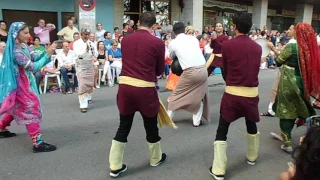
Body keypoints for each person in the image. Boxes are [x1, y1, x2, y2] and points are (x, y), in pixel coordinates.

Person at [108, 12, 167, 178]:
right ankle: (155, 158)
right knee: (150, 125)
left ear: (138, 22)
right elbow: (159, 71)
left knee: (123, 125)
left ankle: (115, 165)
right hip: (145, 90)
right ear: (154, 26)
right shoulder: (157, 42)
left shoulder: (125, 39)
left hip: (126, 87)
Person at [209, 12, 262, 180]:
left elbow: (225, 68)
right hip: (251, 94)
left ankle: (218, 169)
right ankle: (252, 157)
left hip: (232, 93)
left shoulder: (227, 46)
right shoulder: (258, 47)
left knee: (222, 129)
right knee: (251, 124)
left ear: (235, 27)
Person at [0, 22, 57, 152]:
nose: (28, 35)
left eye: (28, 32)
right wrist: (47, 54)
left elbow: (34, 57)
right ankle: (38, 143)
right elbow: (33, 67)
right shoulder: (15, 52)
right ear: (16, 34)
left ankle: (1, 127)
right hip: (19, 85)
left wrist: (46, 52)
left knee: (17, 107)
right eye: (25, 33)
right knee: (31, 108)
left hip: (26, 81)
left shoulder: (24, 46)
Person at [267, 22, 320, 153]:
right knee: (295, 109)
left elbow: (278, 61)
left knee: (286, 111)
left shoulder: (292, 46)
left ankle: (287, 143)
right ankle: (285, 134)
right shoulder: (309, 48)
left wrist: (273, 48)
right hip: (302, 83)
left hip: (289, 81)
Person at [166, 22, 210, 127]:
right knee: (200, 96)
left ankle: (167, 119)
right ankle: (197, 122)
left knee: (177, 95)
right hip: (203, 70)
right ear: (185, 30)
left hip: (190, 71)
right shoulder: (193, 39)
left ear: (174, 32)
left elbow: (171, 57)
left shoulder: (173, 42)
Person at [73, 27, 95, 113]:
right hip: (81, 66)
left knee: (89, 83)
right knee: (82, 84)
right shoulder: (76, 43)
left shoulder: (91, 43)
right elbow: (78, 55)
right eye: (85, 34)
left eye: (88, 34)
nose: (87, 36)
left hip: (89, 65)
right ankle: (83, 105)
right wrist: (85, 50)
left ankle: (88, 97)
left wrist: (92, 53)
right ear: (81, 34)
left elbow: (95, 53)